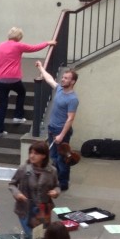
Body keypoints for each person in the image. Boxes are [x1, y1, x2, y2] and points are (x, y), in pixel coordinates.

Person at [0, 28, 56, 137]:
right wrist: (47, 43)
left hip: (0, 80)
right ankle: (18, 116)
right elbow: (34, 48)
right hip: (14, 78)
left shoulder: (0, 46)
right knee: (21, 93)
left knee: (2, 105)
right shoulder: (18, 45)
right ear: (19, 37)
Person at [36, 62, 80, 191]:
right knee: (54, 157)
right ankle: (55, 180)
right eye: (63, 77)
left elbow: (70, 118)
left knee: (62, 159)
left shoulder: (72, 99)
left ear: (72, 82)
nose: (63, 79)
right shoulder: (60, 89)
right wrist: (41, 67)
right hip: (52, 129)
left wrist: (61, 135)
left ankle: (63, 183)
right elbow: (49, 79)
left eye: (66, 78)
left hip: (62, 131)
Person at [10, 141, 60, 238]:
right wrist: (17, 194)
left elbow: (57, 186)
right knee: (31, 236)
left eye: (36, 153)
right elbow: (12, 184)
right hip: (26, 208)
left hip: (43, 210)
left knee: (40, 237)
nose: (32, 156)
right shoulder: (24, 169)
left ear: (44, 156)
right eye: (31, 153)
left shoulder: (52, 171)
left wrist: (55, 192)